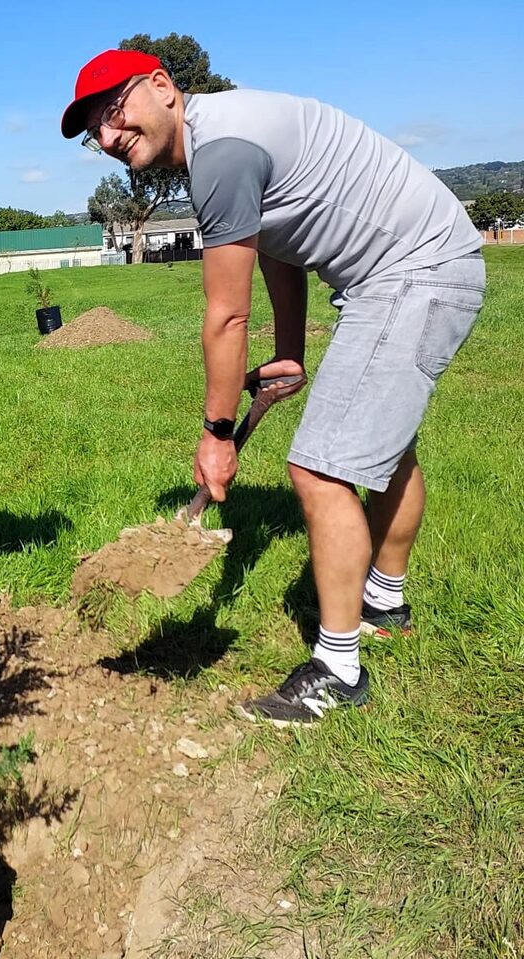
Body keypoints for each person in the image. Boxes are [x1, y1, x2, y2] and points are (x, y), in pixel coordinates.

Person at [62, 50, 485, 725]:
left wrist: (217, 432)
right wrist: (290, 351)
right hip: (416, 267)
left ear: (163, 87)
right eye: (95, 132)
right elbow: (279, 247)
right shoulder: (221, 136)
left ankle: (338, 669)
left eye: (113, 112)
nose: (108, 138)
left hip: (412, 273)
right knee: (383, 447)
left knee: (319, 466)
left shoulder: (221, 154)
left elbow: (226, 316)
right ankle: (383, 602)